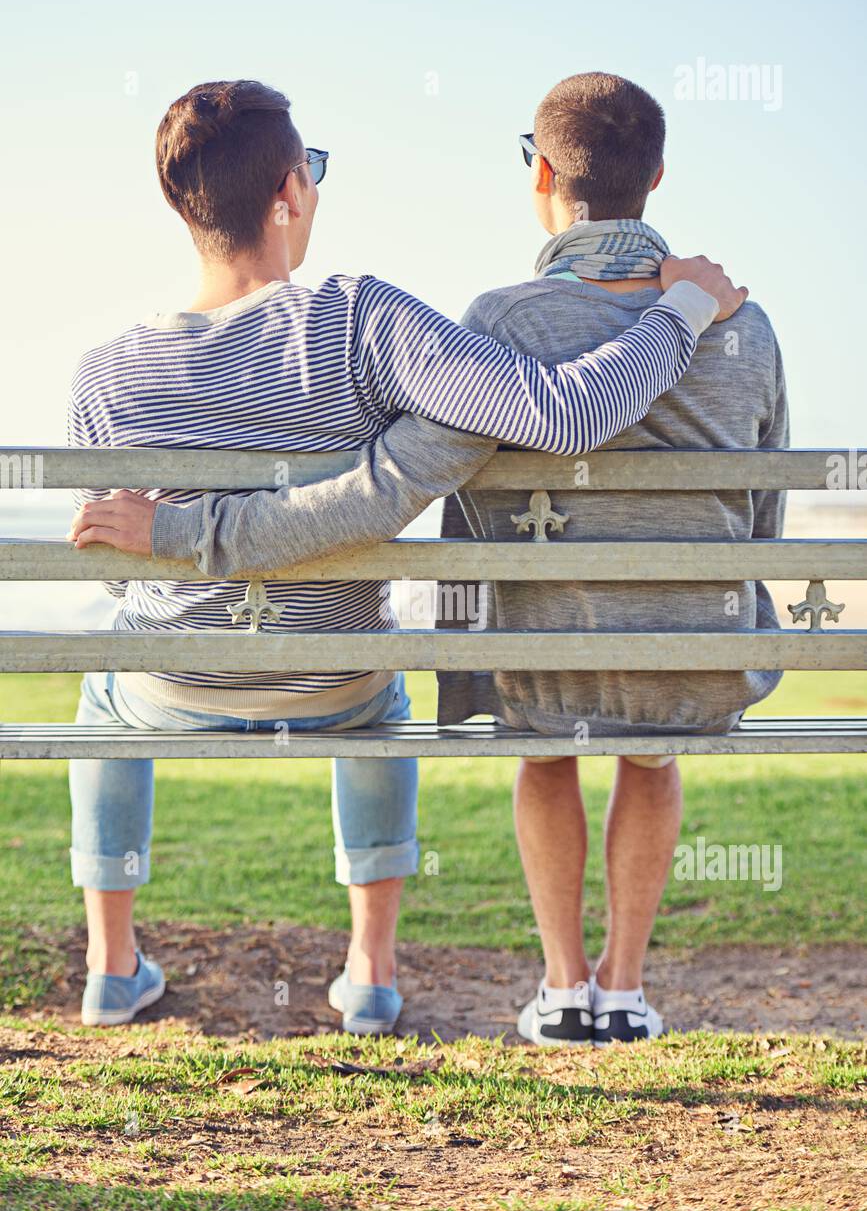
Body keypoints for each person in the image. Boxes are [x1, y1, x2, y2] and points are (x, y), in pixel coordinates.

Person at [68, 77, 746, 1034]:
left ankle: (110, 965)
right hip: (334, 684)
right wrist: (680, 309)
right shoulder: (361, 320)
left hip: (172, 687)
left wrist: (187, 536)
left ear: (182, 204)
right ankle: (371, 969)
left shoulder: (103, 373)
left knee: (105, 683)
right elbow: (559, 415)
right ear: (291, 191)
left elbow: (122, 561)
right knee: (375, 673)